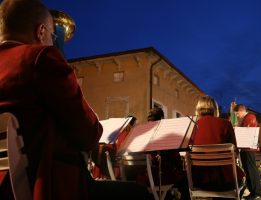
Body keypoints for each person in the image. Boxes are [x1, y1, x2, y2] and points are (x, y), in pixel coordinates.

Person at [0, 0, 150, 199]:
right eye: (53, 36)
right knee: (139, 194)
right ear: (41, 32)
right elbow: (88, 134)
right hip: (46, 187)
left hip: (5, 188)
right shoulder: (41, 58)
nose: (54, 42)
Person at [189, 96, 245, 192]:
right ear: (215, 109)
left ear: (198, 109)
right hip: (227, 181)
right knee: (242, 180)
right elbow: (235, 153)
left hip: (199, 181)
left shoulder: (191, 126)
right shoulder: (226, 124)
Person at [234, 104, 261, 200]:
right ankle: (253, 191)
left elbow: (247, 131)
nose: (237, 116)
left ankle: (257, 192)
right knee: (248, 170)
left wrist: (237, 127)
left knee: (251, 169)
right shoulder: (247, 118)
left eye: (237, 113)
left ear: (241, 110)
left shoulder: (250, 117)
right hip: (245, 148)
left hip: (248, 148)